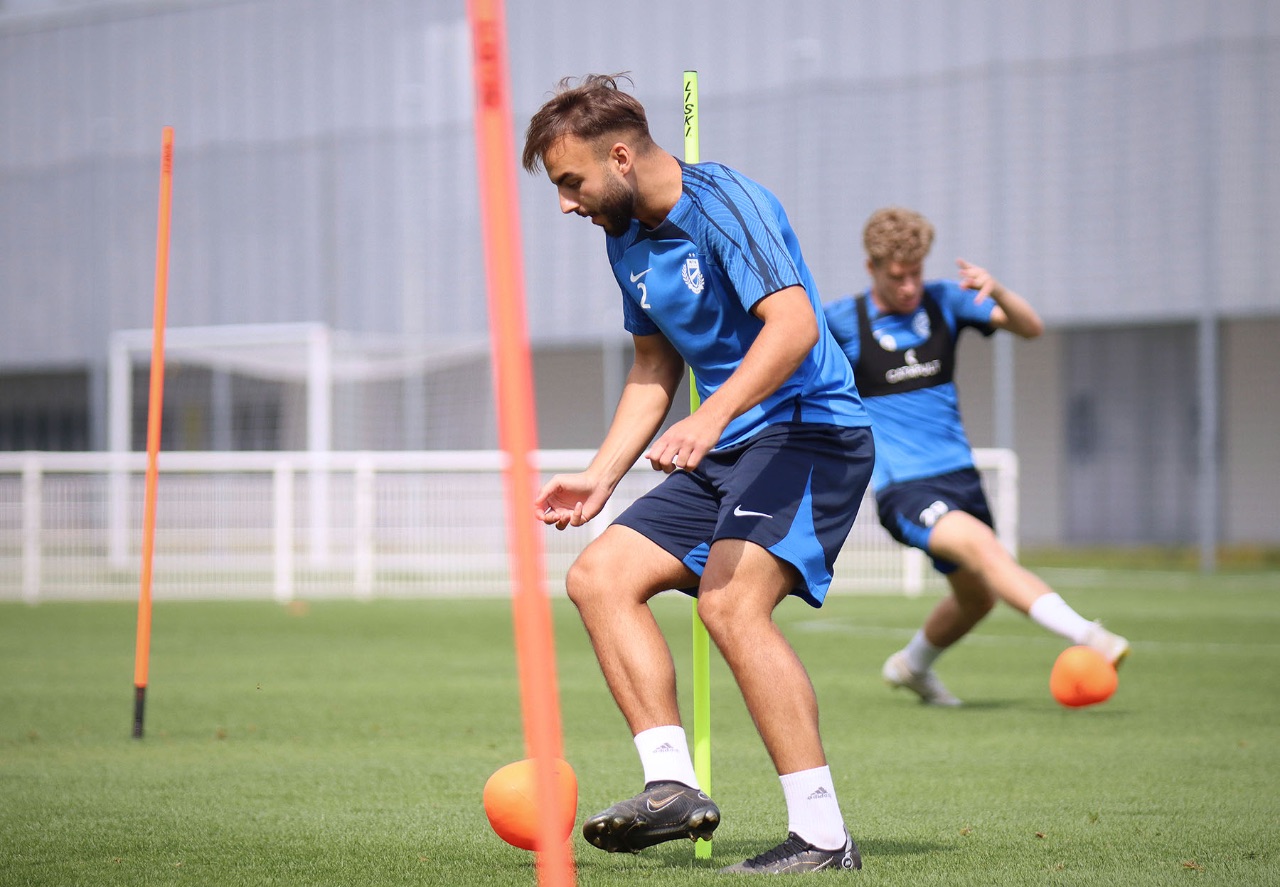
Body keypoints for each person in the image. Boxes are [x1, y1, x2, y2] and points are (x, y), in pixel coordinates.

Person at [522, 74, 872, 874]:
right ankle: (672, 786)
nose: (567, 204)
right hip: (727, 449)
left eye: (571, 182)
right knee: (598, 578)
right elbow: (654, 364)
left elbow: (793, 325)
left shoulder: (727, 205)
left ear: (619, 157)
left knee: (730, 604)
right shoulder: (623, 236)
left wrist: (710, 416)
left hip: (810, 432)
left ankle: (823, 836)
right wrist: (601, 475)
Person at [824, 206, 1130, 707]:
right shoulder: (842, 321)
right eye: (897, 277)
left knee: (977, 598)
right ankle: (1089, 635)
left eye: (916, 273)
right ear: (871, 268)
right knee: (988, 552)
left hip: (961, 478)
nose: (909, 287)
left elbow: (1030, 328)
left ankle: (911, 666)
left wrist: (999, 291)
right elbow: (789, 351)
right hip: (905, 488)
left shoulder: (945, 300)